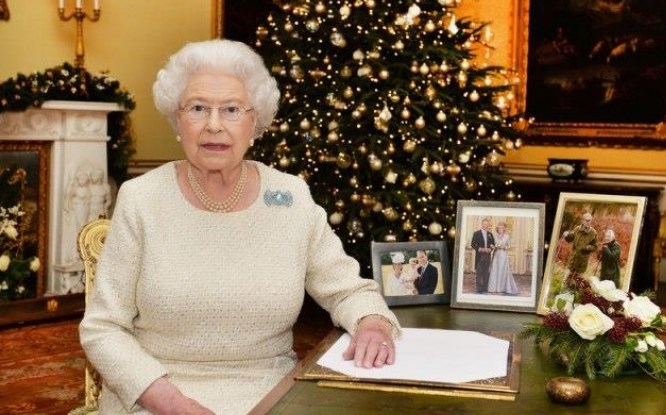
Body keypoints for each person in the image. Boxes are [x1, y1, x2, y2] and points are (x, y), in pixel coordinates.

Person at [78, 39, 400, 415]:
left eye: (231, 109)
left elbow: (348, 291)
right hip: (155, 397)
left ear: (255, 122)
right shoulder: (141, 199)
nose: (213, 125)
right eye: (198, 108)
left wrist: (372, 324)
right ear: (178, 120)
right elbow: (103, 327)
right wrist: (171, 403)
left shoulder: (291, 198)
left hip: (271, 395)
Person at [487, 222, 519, 295]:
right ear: (497, 229)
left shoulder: (507, 236)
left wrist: (504, 247)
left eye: (502, 228)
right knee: (495, 270)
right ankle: (493, 288)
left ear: (504, 229)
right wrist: (494, 247)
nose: (501, 229)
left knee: (502, 270)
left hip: (503, 255)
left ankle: (502, 288)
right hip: (496, 255)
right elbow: (491, 244)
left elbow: (509, 246)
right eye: (499, 228)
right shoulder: (494, 236)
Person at [470, 218, 495, 293]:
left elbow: (493, 244)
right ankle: (479, 289)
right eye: (484, 224)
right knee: (479, 273)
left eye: (487, 224)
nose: (485, 226)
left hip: (488, 255)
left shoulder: (490, 234)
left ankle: (485, 288)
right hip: (479, 255)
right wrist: (480, 249)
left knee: (486, 272)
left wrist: (490, 249)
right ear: (482, 224)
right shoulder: (476, 233)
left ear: (488, 225)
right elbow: (473, 244)